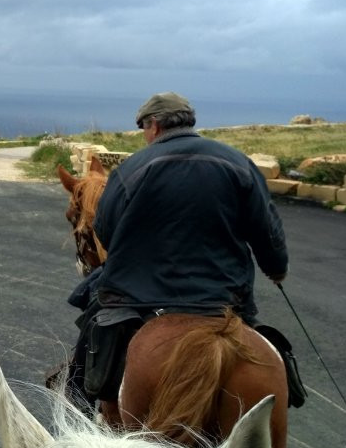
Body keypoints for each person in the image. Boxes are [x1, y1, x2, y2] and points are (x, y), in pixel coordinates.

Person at [66, 92, 289, 410]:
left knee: (92, 326)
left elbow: (105, 230)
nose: (145, 134)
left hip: (142, 298)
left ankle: (74, 402)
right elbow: (267, 230)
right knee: (264, 355)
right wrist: (276, 268)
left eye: (143, 127)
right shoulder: (238, 163)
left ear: (154, 125)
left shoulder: (131, 170)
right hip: (226, 298)